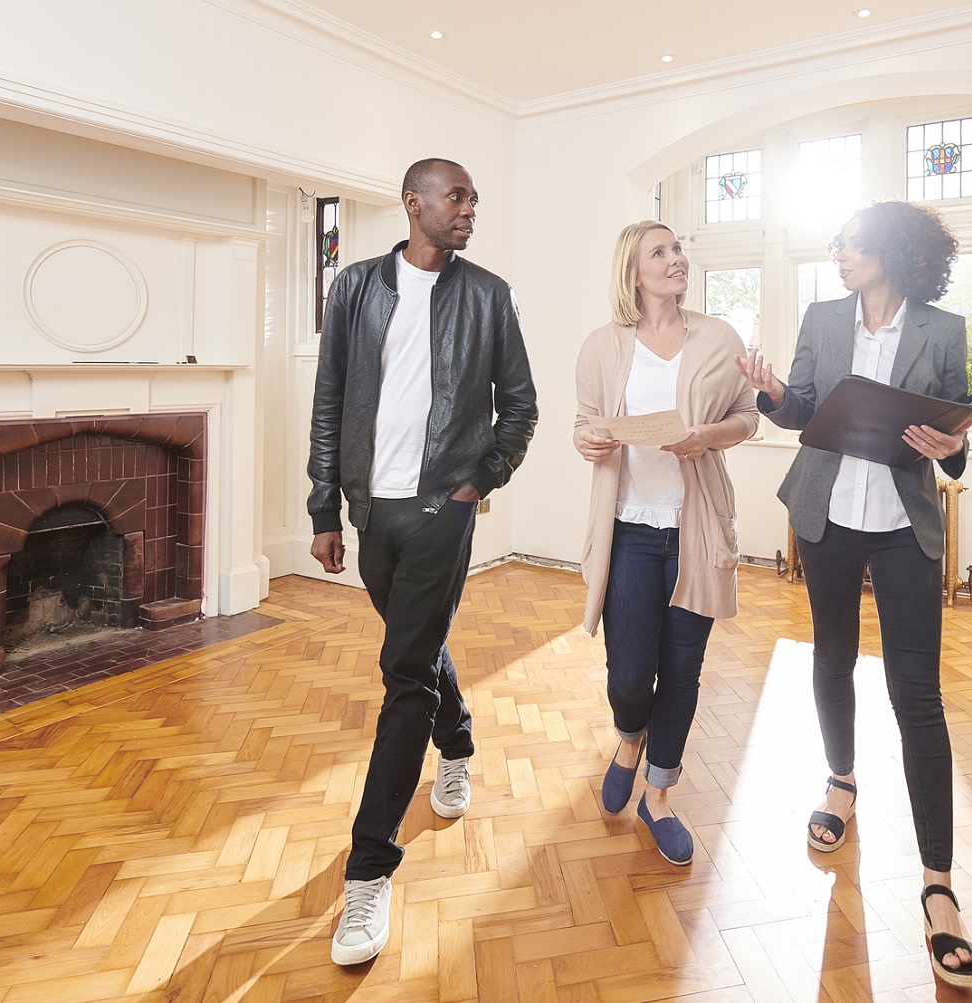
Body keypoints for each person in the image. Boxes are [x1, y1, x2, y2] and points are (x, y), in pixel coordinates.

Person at [735, 200, 972, 989]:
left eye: (851, 243)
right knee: (831, 659)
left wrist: (954, 447)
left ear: (891, 250)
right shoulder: (822, 315)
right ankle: (841, 781)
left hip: (903, 527)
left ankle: (938, 884)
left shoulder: (942, 331)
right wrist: (774, 392)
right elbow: (806, 411)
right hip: (827, 516)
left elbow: (955, 444)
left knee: (920, 695)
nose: (839, 253)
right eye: (837, 244)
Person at [309, 158, 537, 966]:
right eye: (457, 196)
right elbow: (330, 397)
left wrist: (482, 479)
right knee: (417, 645)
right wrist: (324, 505)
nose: (470, 208)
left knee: (401, 671)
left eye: (474, 197)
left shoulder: (488, 294)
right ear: (415, 204)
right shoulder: (358, 288)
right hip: (374, 512)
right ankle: (462, 738)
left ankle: (368, 870)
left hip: (445, 510)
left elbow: (521, 405)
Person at [573, 221, 758, 866]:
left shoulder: (719, 337)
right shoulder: (602, 347)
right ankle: (630, 738)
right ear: (634, 270)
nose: (677, 259)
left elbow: (747, 416)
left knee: (681, 670)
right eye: (662, 251)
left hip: (695, 532)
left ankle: (660, 793)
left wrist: (706, 437)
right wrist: (589, 440)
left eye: (679, 248)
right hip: (629, 531)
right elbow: (585, 426)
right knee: (628, 675)